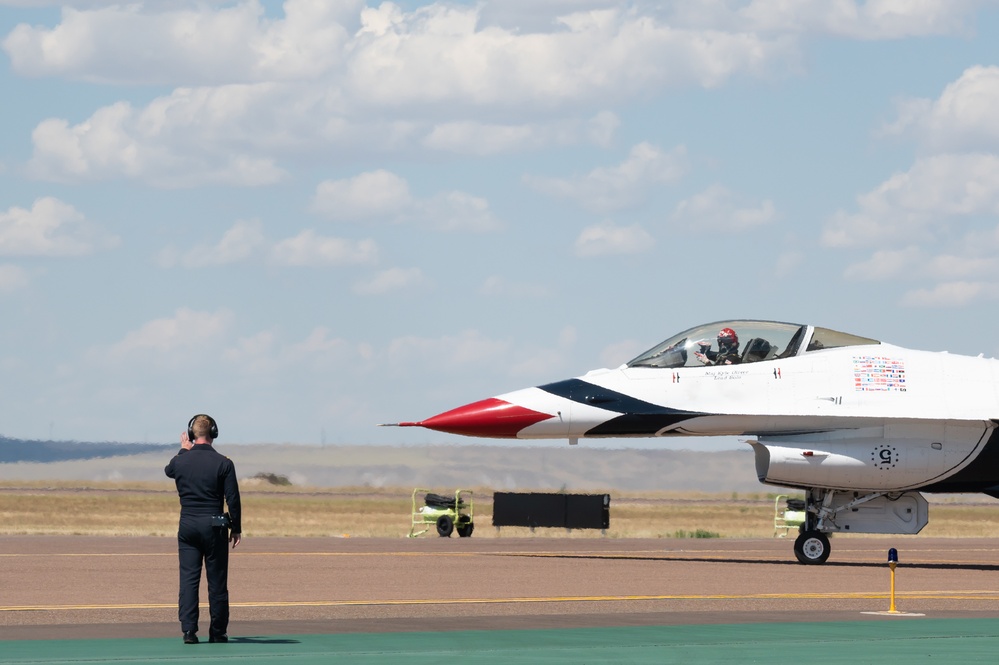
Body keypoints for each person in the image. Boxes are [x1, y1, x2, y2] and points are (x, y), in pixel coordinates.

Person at [165, 414, 242, 645]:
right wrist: (236, 528)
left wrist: (183, 450)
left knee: (189, 580)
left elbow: (169, 471)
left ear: (191, 434)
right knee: (217, 582)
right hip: (214, 525)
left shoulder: (181, 460)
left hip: (187, 524)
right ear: (214, 433)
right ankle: (217, 631)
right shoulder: (224, 463)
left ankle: (189, 631)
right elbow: (233, 499)